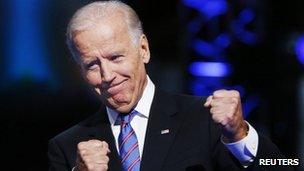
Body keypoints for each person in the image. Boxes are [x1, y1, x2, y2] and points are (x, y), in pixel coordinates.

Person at [48, 1, 293, 171]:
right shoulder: (67, 146)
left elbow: (287, 165)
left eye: (116, 58)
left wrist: (240, 134)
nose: (107, 75)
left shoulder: (205, 120)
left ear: (143, 49)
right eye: (92, 65)